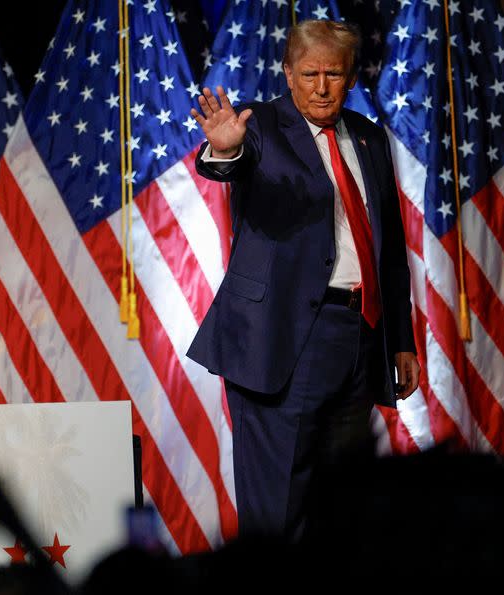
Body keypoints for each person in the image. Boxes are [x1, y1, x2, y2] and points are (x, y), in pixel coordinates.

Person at [187, 20, 420, 541]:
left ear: (351, 77)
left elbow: (390, 251)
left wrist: (400, 341)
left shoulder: (368, 137)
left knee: (343, 510)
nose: (320, 86)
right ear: (288, 74)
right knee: (279, 512)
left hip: (359, 338)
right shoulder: (261, 125)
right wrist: (224, 149)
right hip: (282, 342)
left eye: (333, 73)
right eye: (309, 72)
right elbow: (229, 163)